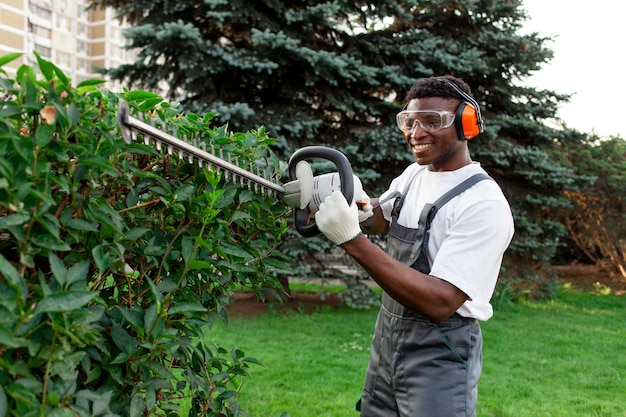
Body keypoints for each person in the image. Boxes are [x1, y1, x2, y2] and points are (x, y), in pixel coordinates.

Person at [314, 75, 515, 417]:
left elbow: (440, 301)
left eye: (433, 121)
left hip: (440, 352)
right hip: (387, 343)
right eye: (409, 121)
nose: (416, 132)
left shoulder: (483, 203)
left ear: (466, 123)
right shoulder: (414, 175)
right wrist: (355, 207)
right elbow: (386, 217)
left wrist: (352, 239)